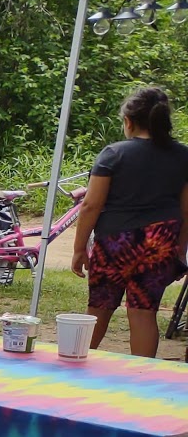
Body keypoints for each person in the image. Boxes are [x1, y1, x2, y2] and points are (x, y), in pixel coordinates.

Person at [69, 86, 188, 358]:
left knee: (99, 308)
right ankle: (142, 378)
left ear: (128, 122)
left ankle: (75, 368)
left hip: (115, 242)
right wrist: (179, 248)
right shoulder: (183, 155)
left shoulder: (114, 153)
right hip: (160, 241)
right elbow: (186, 210)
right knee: (144, 313)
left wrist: (78, 249)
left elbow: (91, 205)